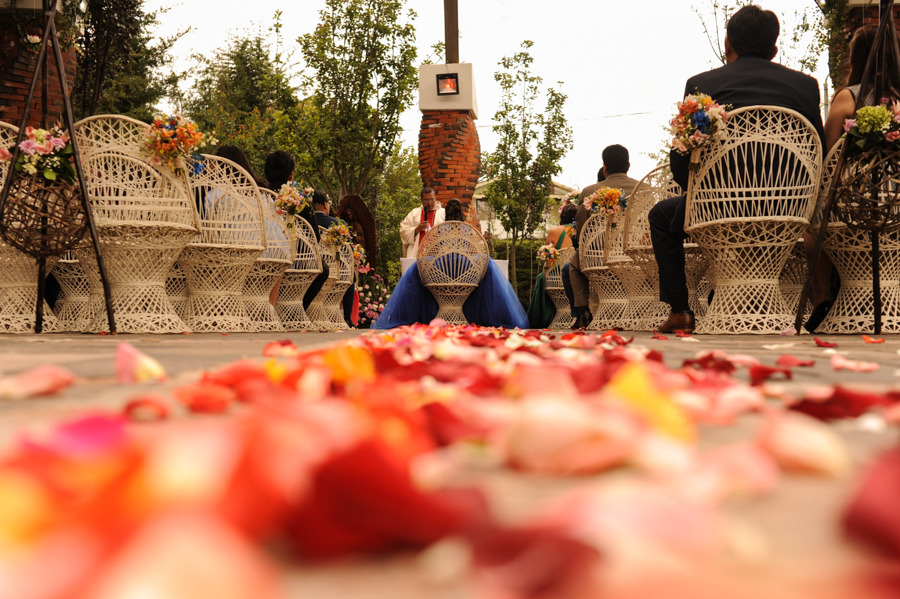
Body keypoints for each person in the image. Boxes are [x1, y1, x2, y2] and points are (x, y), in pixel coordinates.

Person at [649, 4, 826, 334]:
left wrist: (695, 187)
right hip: (790, 207)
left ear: (727, 43)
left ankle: (681, 311)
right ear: (774, 48)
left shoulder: (701, 84)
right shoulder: (806, 86)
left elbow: (680, 163)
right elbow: (821, 153)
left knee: (661, 217)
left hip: (718, 207)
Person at [804, 25, 900, 331]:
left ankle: (822, 300)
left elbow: (826, 155)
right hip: (896, 205)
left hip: (853, 205)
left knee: (811, 227)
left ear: (857, 58)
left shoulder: (849, 98)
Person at [374, 199, 529, 329]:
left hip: (441, 268)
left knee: (418, 270)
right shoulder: (468, 230)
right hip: (465, 270)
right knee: (486, 269)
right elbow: (472, 252)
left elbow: (432, 252)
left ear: (445, 212)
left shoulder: (438, 230)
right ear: (462, 212)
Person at [568, 145, 640, 329]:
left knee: (573, 267)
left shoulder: (589, 192)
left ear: (605, 167)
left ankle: (583, 312)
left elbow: (582, 230)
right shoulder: (643, 188)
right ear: (628, 165)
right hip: (635, 256)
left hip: (598, 257)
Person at [264, 151, 320, 307]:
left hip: (259, 253)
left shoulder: (260, 195)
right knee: (323, 269)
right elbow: (314, 239)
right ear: (291, 176)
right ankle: (296, 308)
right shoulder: (300, 201)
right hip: (293, 261)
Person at [526, 203, 578, 328]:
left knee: (542, 277)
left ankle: (544, 317)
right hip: (578, 277)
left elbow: (548, 257)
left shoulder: (554, 231)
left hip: (556, 279)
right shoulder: (582, 231)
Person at [311, 190, 356, 327]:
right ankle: (347, 318)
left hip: (311, 268)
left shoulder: (305, 222)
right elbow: (348, 250)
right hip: (336, 272)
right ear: (325, 204)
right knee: (351, 276)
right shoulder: (338, 223)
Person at [399, 187, 446, 259]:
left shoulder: (443, 213)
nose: (429, 203)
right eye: (426, 200)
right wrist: (417, 229)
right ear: (421, 200)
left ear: (435, 198)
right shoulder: (414, 213)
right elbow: (403, 231)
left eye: (432, 199)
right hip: (417, 254)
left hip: (437, 256)